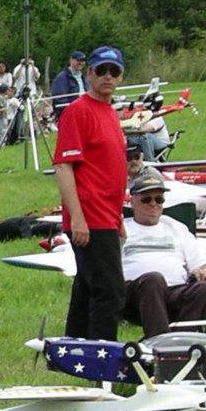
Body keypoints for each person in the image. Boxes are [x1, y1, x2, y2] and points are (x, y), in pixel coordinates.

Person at [55, 44, 130, 340]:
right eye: (101, 71)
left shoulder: (110, 112)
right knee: (110, 291)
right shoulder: (78, 112)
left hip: (107, 216)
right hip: (90, 215)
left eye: (114, 71)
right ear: (89, 74)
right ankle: (104, 359)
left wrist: (118, 217)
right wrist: (77, 217)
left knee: (87, 286)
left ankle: (74, 348)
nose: (107, 77)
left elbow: (111, 169)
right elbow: (64, 167)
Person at [121, 170, 206, 337]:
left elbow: (199, 263)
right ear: (132, 202)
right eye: (147, 199)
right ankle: (159, 342)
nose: (154, 204)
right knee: (153, 279)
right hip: (134, 294)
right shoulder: (122, 228)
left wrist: (202, 270)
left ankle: (178, 343)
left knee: (205, 290)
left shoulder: (176, 227)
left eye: (159, 199)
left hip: (175, 291)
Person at [49, 50, 87, 115]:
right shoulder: (62, 78)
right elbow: (59, 99)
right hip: (70, 114)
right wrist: (74, 108)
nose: (81, 63)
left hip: (85, 111)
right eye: (78, 60)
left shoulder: (84, 77)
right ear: (71, 60)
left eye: (83, 60)